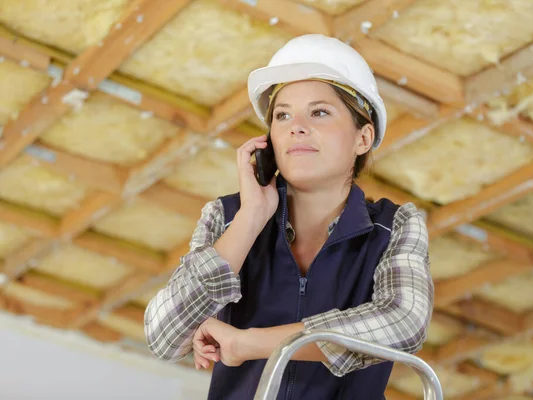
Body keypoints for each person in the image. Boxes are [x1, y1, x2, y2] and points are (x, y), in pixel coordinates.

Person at [144, 34, 434, 400]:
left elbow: (403, 323)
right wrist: (251, 218)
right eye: (282, 115)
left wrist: (251, 344)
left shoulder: (395, 228)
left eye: (319, 112)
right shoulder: (227, 217)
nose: (296, 126)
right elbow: (163, 337)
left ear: (363, 138)